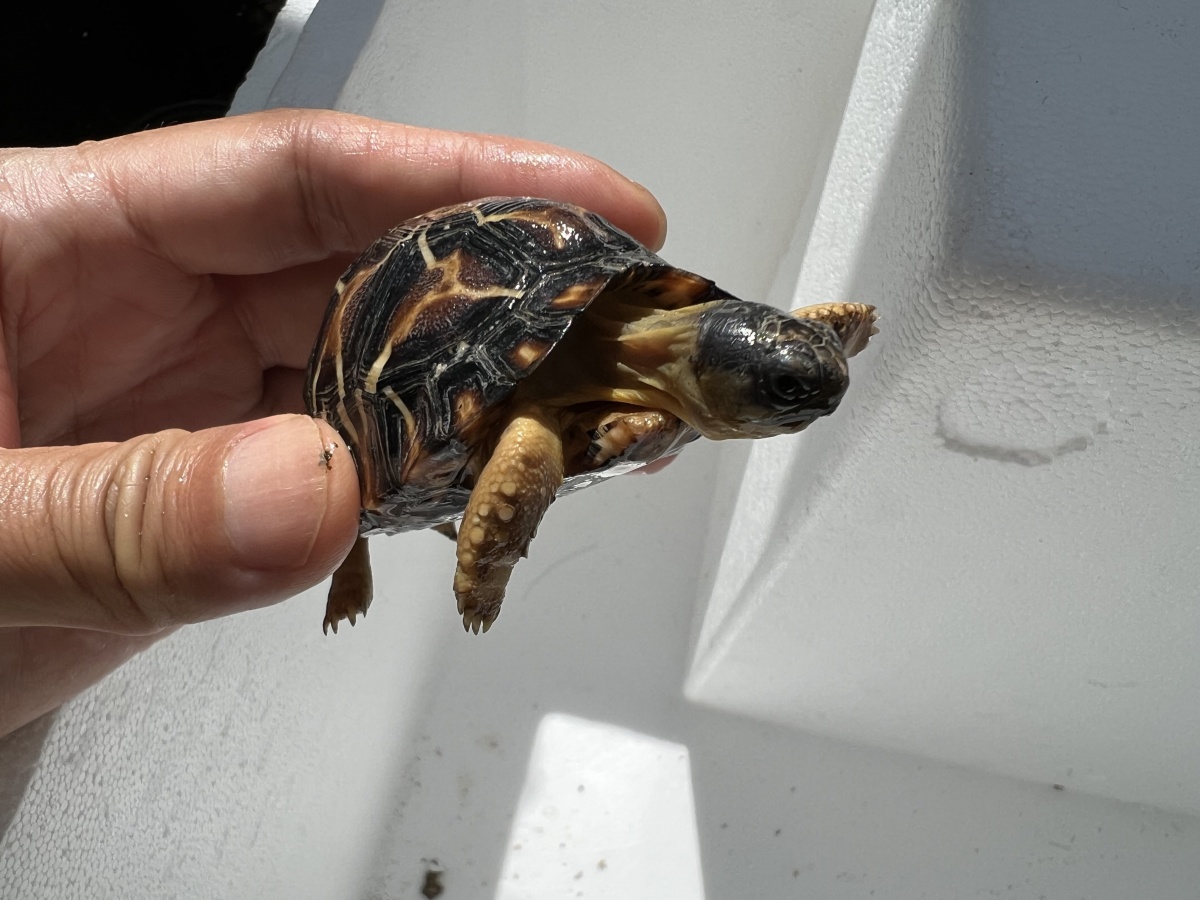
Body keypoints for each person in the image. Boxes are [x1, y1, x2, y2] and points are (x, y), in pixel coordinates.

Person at [0, 108, 667, 737]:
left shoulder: (651, 360)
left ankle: (353, 544)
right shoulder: (546, 419)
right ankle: (354, 552)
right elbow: (527, 442)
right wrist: (485, 570)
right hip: (385, 396)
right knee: (483, 453)